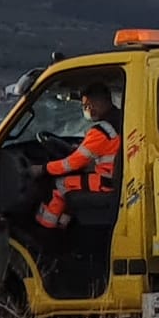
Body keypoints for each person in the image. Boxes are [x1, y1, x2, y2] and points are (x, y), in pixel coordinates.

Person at [35, 82, 121, 230]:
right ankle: (65, 223)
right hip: (113, 178)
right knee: (74, 182)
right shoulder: (119, 119)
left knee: (60, 184)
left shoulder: (102, 130)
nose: (87, 110)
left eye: (88, 105)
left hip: (106, 183)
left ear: (99, 102)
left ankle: (46, 228)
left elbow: (71, 164)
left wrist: (42, 168)